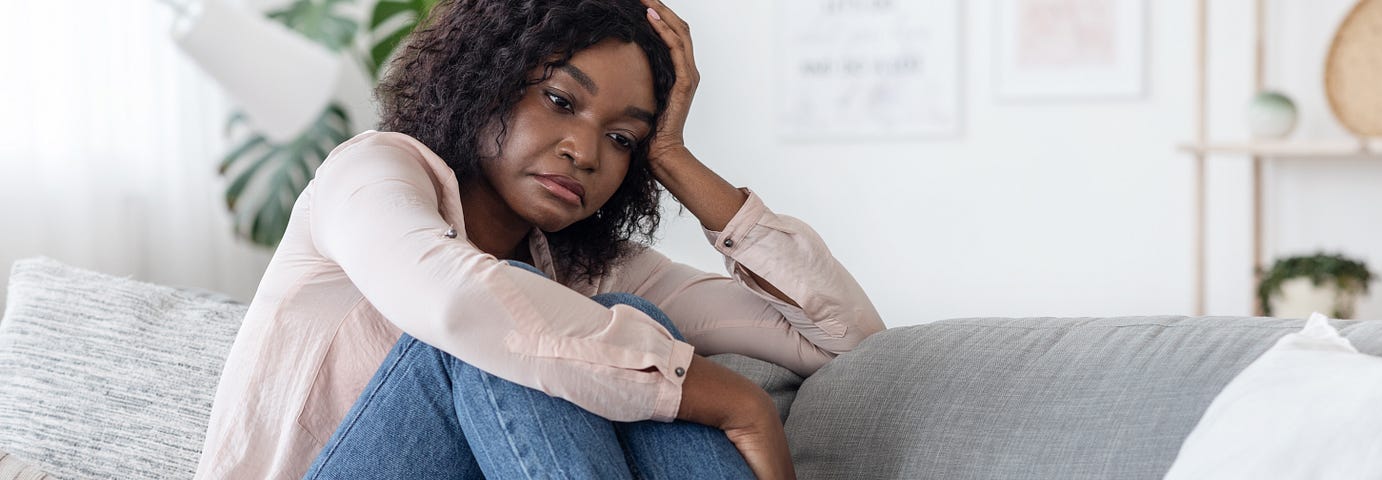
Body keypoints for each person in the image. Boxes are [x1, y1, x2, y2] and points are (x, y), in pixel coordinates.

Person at [193, 0, 885, 478]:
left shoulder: (585, 266)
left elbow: (846, 342)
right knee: (506, 335)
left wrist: (673, 157)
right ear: (489, 81)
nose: (585, 151)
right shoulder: (370, 172)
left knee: (628, 321)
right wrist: (736, 401)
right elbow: (459, 306)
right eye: (560, 100)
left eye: (622, 139)